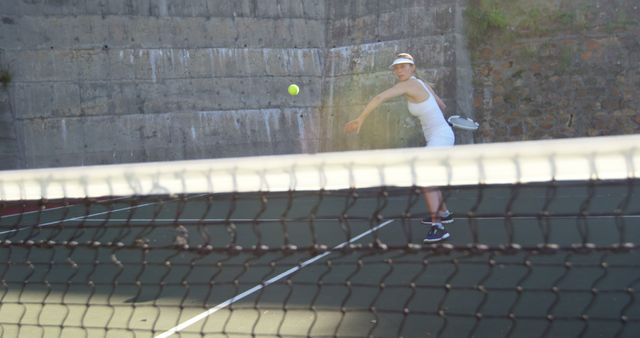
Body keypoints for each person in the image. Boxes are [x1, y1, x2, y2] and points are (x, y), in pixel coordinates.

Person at [343, 53, 455, 242]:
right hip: (440, 135)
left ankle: (438, 227)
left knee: (424, 175)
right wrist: (442, 124)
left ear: (412, 68)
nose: (399, 70)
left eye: (403, 66)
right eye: (396, 67)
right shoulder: (422, 83)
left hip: (441, 137)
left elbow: (379, 97)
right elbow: (442, 106)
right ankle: (443, 213)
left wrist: (360, 118)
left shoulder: (408, 85)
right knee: (429, 176)